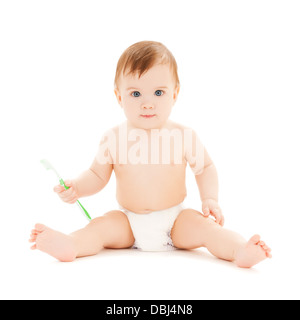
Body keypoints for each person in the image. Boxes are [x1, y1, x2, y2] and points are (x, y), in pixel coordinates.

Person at [29, 41, 271, 268]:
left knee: (207, 230)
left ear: (174, 94)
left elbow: (205, 167)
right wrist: (77, 188)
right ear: (119, 96)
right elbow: (96, 174)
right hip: (129, 221)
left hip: (176, 219)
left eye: (158, 93)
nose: (147, 103)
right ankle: (72, 245)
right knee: (100, 227)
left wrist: (210, 199)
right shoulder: (113, 138)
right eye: (136, 94)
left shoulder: (184, 135)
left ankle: (240, 250)